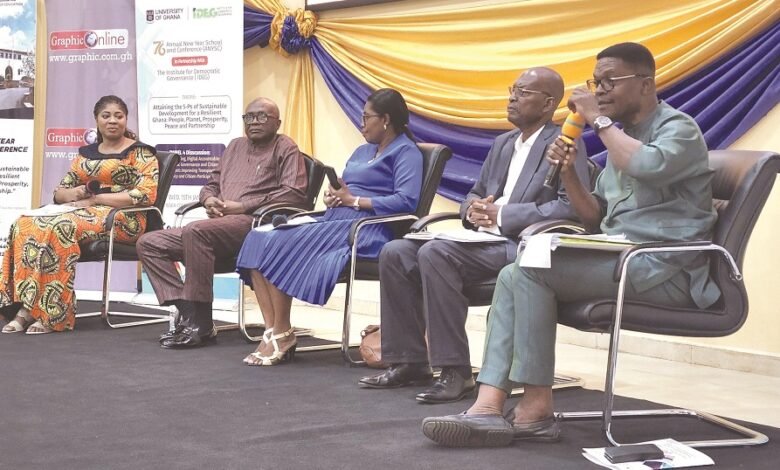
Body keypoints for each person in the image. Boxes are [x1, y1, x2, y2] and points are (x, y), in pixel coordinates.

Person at [421, 42, 721, 447]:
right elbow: (593, 215)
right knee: (514, 272)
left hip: (664, 265)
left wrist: (597, 121)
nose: (599, 91)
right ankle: (491, 405)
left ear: (646, 84)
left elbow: (646, 165)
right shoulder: (622, 135)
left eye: (609, 82)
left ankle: (532, 408)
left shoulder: (677, 128)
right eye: (595, 83)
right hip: (622, 256)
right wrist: (568, 174)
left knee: (525, 271)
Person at [358, 68, 591, 404]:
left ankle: (456, 371)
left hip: (521, 245)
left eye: (523, 92)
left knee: (436, 254)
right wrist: (473, 209)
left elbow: (571, 209)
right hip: (482, 241)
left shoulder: (564, 144)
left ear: (547, 104)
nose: (512, 97)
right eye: (514, 89)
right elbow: (476, 192)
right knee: (396, 251)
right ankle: (409, 361)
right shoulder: (503, 143)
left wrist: (505, 215)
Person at [236, 88, 423, 366]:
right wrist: (334, 196)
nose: (362, 123)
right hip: (336, 219)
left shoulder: (407, 152)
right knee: (259, 237)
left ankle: (282, 332)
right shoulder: (362, 150)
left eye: (366, 117)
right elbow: (347, 188)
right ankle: (274, 331)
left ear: (385, 119)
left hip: (367, 229)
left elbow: (406, 201)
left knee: (281, 241)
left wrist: (355, 200)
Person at [138, 97, 307, 349]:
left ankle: (201, 324)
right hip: (218, 226)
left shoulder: (285, 147)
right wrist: (209, 200)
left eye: (262, 117)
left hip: (254, 225)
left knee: (196, 230)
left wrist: (243, 206)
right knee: (149, 242)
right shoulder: (234, 146)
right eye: (249, 117)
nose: (254, 122)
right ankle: (189, 310)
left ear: (277, 123)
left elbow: (294, 192)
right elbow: (211, 184)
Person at [0, 95, 158, 334]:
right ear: (96, 119)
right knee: (25, 224)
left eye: (119, 115)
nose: (113, 121)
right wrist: (77, 192)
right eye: (106, 116)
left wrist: (96, 199)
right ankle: (26, 307)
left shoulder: (140, 153)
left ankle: (54, 314)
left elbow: (145, 195)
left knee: (59, 226)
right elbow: (59, 194)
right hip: (84, 210)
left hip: (124, 217)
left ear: (126, 119)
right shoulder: (86, 154)